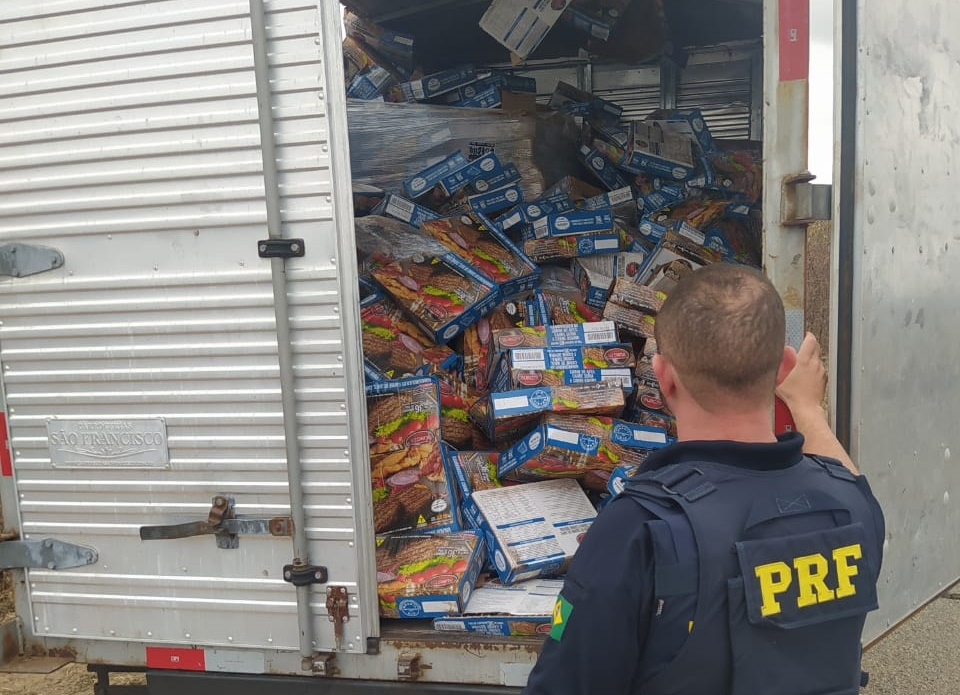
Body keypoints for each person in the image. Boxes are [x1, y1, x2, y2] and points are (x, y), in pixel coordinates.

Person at [522, 263, 885, 695]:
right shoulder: (852, 511)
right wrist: (807, 409)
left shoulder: (639, 529)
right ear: (784, 367)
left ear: (663, 377)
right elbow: (848, 480)